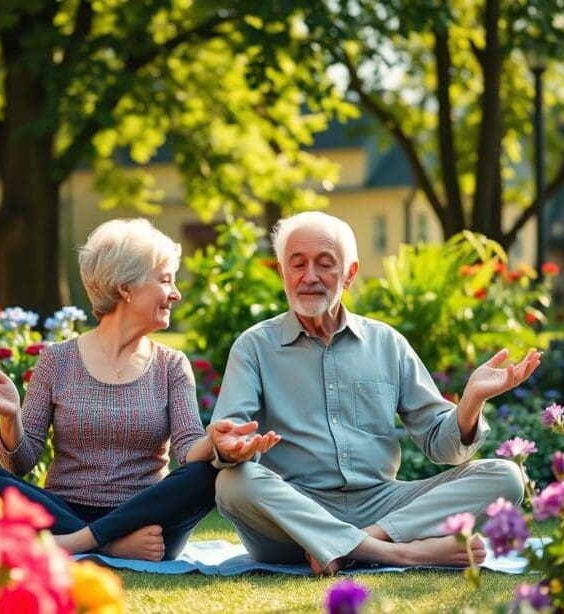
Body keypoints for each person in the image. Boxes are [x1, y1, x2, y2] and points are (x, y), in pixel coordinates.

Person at [208, 211, 541, 575]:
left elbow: (442, 446)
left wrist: (472, 399)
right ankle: (402, 554)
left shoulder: (387, 343)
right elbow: (231, 433)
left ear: (349, 274)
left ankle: (359, 544)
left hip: (383, 505)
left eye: (325, 264)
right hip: (295, 518)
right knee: (232, 483)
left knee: (507, 476)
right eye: (297, 264)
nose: (310, 277)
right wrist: (230, 447)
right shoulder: (254, 347)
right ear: (283, 273)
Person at [0, 218, 249, 561]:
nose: (176, 294)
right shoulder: (57, 360)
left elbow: (188, 452)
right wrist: (11, 416)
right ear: (125, 287)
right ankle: (106, 545)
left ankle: (76, 543)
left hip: (146, 520)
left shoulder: (171, 365)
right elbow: (19, 466)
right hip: (69, 511)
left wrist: (215, 442)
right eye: (165, 280)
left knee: (207, 472)